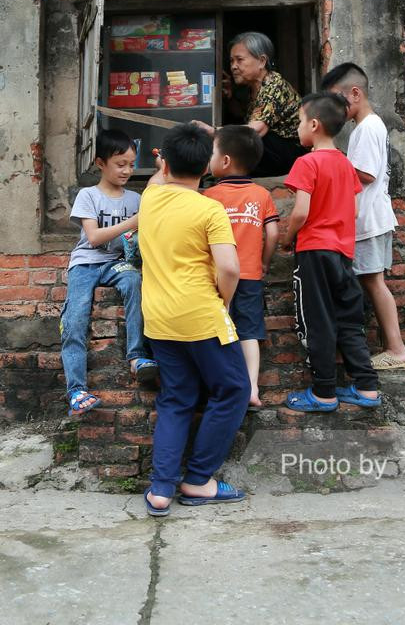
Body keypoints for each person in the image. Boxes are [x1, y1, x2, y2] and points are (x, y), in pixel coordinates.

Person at [140, 123, 250, 516]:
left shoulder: (149, 199)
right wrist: (223, 299)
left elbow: (159, 177)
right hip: (201, 315)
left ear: (164, 164)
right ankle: (199, 479)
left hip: (158, 319)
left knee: (176, 398)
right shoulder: (209, 208)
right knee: (234, 389)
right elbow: (230, 268)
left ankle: (160, 489)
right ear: (206, 168)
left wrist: (164, 160)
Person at [278, 94, 381, 411]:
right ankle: (366, 388)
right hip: (342, 253)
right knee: (349, 320)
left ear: (313, 124)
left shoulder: (306, 162)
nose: (297, 128)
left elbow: (300, 213)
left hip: (314, 252)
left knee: (317, 320)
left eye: (298, 121)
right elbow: (351, 212)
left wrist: (287, 239)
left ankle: (324, 392)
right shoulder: (346, 165)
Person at [322, 63, 405, 370]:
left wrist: (329, 159)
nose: (334, 108)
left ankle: (397, 348)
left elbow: (365, 174)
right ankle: (390, 346)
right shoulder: (369, 126)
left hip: (369, 221)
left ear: (355, 93)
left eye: (338, 100)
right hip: (374, 218)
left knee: (374, 283)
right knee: (372, 283)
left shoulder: (366, 128)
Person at [60, 129, 155, 417]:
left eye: (131, 164)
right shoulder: (88, 196)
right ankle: (76, 390)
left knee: (134, 281)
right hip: (85, 263)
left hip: (116, 262)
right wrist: (132, 223)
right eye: (120, 164)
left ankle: (137, 357)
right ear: (101, 163)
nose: (127, 170)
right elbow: (93, 238)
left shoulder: (136, 199)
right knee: (75, 317)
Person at [203, 125, 280, 407]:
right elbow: (272, 234)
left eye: (212, 152)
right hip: (250, 275)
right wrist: (264, 262)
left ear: (224, 161)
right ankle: (251, 389)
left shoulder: (209, 196)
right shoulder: (261, 194)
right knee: (248, 332)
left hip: (216, 277)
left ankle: (218, 386)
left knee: (215, 331)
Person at [192, 32, 306, 177]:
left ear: (262, 61)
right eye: (232, 61)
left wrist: (213, 131)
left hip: (291, 155)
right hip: (277, 154)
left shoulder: (274, 85)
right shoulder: (251, 87)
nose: (233, 66)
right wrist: (230, 98)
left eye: (239, 60)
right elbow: (243, 115)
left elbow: (256, 130)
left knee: (247, 138)